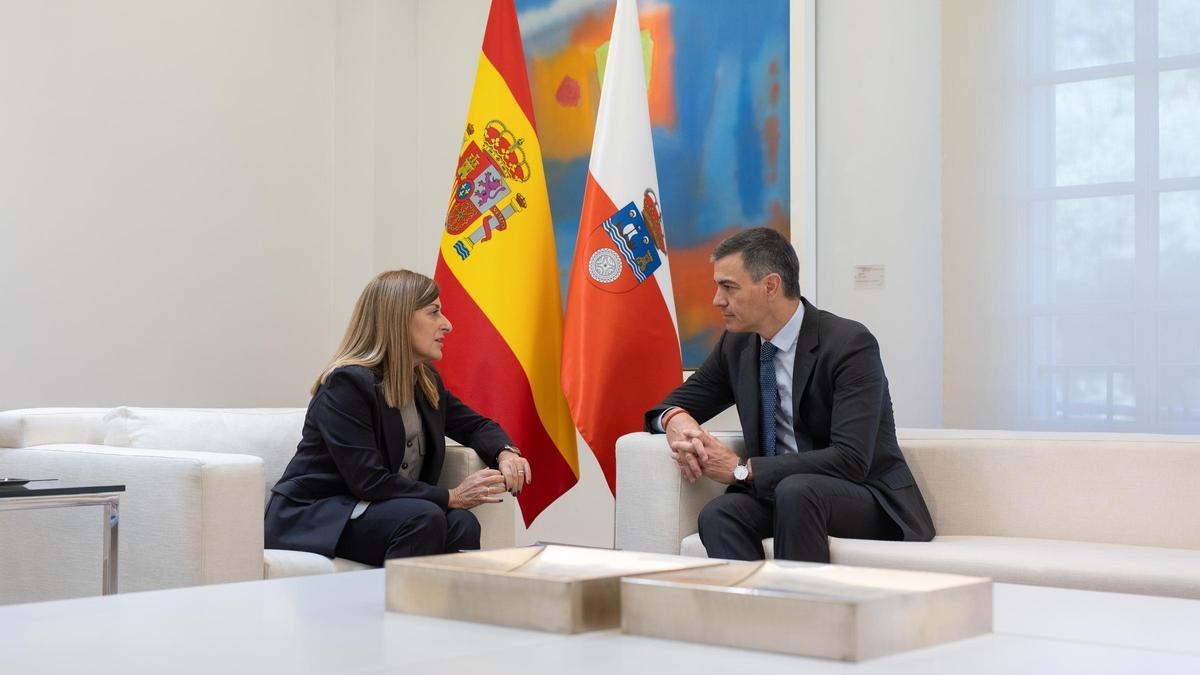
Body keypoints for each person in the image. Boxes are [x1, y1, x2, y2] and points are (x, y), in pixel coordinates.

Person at [644, 227, 934, 562]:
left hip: (867, 496)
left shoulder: (849, 344)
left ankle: (803, 610)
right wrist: (676, 420)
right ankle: (755, 610)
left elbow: (851, 459)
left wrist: (744, 470)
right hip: (783, 493)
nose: (716, 300)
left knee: (797, 491)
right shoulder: (737, 345)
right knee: (719, 513)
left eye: (728, 287)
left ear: (770, 286)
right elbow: (671, 404)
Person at [265, 269, 532, 565]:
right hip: (318, 513)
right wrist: (452, 496)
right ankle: (394, 612)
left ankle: (447, 612)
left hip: (379, 509)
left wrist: (506, 453)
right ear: (399, 319)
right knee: (424, 516)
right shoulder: (346, 385)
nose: (448, 325)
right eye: (434, 313)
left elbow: (475, 426)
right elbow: (368, 480)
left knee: (462, 523)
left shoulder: (424, 380)